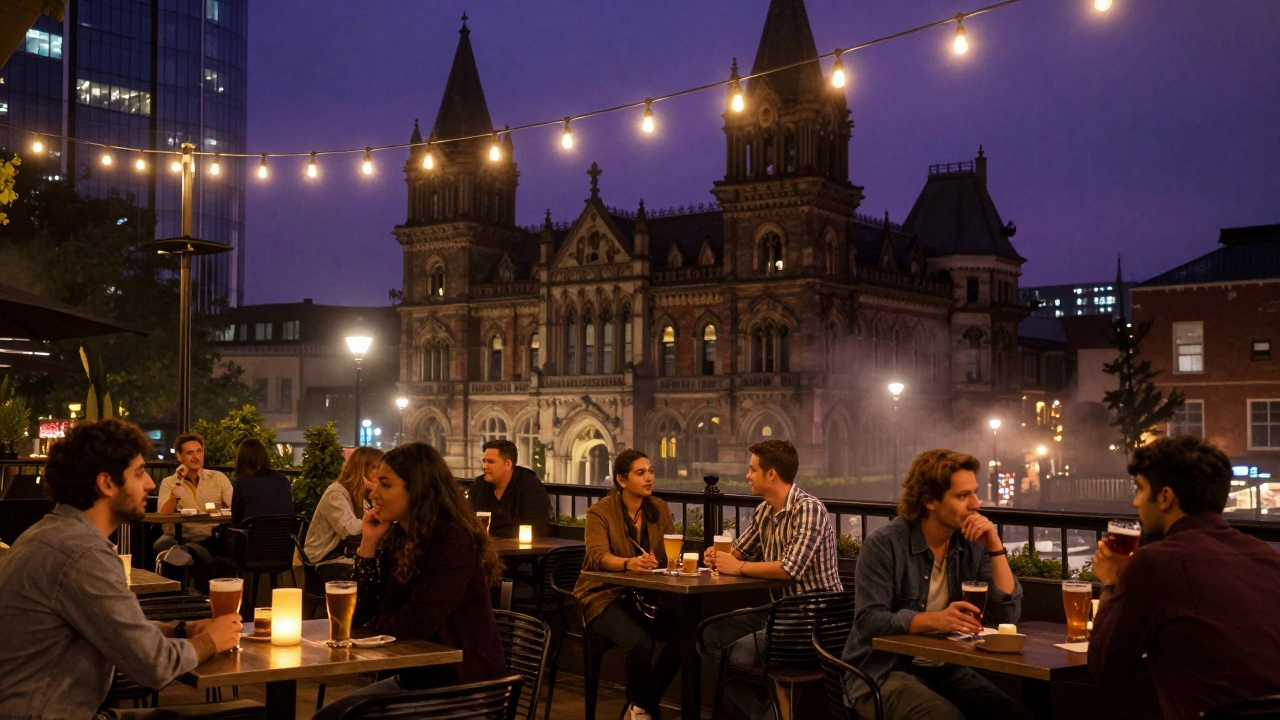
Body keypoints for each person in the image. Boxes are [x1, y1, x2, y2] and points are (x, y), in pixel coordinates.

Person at [0, 418, 247, 719]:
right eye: (140, 473)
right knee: (244, 713)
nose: (150, 484)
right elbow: (153, 667)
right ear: (106, 483)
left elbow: (123, 633)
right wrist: (209, 641)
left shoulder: (48, 534)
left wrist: (182, 629)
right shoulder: (83, 554)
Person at [1088, 436, 1280, 720]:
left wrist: (1113, 579)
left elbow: (1105, 666)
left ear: (1165, 497)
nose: (1136, 501)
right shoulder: (1268, 556)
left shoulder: (1155, 563)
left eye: (1141, 489)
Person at [314, 442, 507, 720]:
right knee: (330, 717)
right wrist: (368, 543)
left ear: (417, 489)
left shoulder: (451, 540)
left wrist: (378, 622)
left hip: (466, 688)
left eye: (385, 484)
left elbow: (416, 623)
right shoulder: (401, 537)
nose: (374, 492)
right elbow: (360, 614)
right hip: (418, 681)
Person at [841, 449, 1028, 720]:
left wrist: (995, 547)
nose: (975, 503)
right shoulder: (885, 545)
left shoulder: (970, 545)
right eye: (963, 496)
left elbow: (1008, 617)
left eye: (974, 493)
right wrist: (935, 620)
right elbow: (869, 622)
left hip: (945, 668)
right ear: (929, 500)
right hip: (881, 672)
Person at [700, 439, 842, 720]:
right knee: (708, 637)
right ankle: (769, 713)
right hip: (779, 615)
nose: (747, 475)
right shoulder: (765, 510)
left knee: (737, 655)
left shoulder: (808, 509)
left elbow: (790, 569)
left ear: (772, 474)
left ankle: (771, 713)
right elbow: (739, 551)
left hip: (815, 622)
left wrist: (738, 566)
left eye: (752, 469)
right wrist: (716, 557)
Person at [574, 449, 681, 720]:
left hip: (642, 595)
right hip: (602, 595)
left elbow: (669, 553)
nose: (649, 478)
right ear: (622, 480)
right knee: (640, 644)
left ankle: (640, 706)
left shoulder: (658, 508)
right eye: (640, 473)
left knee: (688, 636)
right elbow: (596, 557)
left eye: (650, 471)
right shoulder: (600, 512)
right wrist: (628, 563)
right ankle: (646, 709)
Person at [154, 432, 234, 590]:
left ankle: (207, 597)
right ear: (179, 456)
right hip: (178, 536)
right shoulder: (169, 482)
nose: (196, 456)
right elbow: (164, 513)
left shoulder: (218, 478)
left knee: (223, 548)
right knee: (164, 545)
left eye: (199, 451)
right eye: (190, 453)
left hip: (211, 535)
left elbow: (234, 506)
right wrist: (178, 483)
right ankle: (174, 598)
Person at [305, 446, 383, 580]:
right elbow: (349, 530)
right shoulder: (335, 493)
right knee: (370, 576)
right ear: (361, 469)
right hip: (325, 561)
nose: (380, 475)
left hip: (347, 557)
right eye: (376, 468)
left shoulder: (360, 496)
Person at [469, 439, 551, 538]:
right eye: (484, 461)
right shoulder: (479, 486)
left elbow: (538, 529)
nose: (484, 466)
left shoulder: (529, 486)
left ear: (507, 464)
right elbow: (468, 523)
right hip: (486, 550)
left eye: (490, 462)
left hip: (521, 551)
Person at [229, 438, 294, 523]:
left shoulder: (242, 483)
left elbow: (236, 520)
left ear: (242, 460)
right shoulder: (282, 479)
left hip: (255, 535)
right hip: (285, 534)